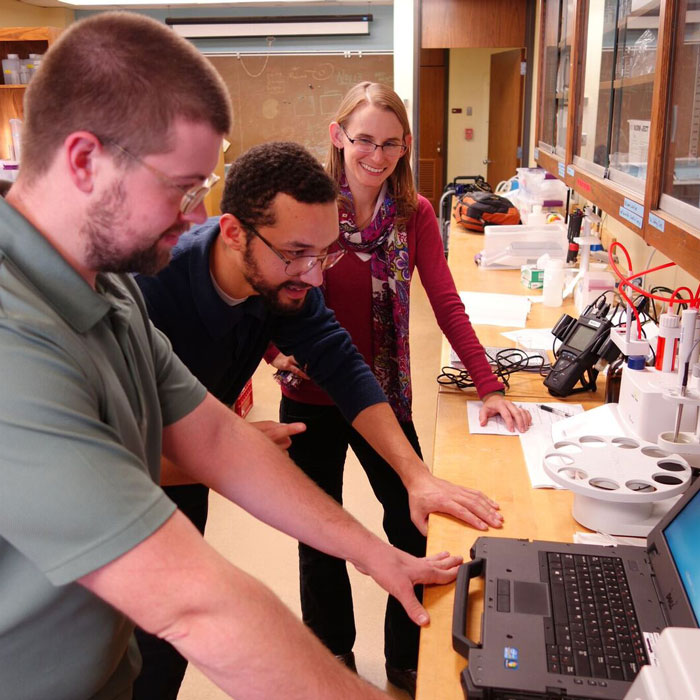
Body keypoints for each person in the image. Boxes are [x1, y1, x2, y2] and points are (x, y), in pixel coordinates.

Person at [0, 17, 463, 700]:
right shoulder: (19, 330)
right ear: (83, 161)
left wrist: (376, 553)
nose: (195, 217)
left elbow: (217, 437)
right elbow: (193, 601)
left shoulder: (110, 294)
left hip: (103, 668)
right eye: (182, 188)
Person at [133, 139, 507, 699]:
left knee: (164, 656)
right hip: (126, 494)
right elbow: (101, 464)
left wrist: (415, 476)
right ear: (233, 232)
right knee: (133, 662)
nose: (313, 277)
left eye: (323, 255)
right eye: (296, 254)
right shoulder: (147, 296)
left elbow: (339, 360)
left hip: (182, 478)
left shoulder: (280, 281)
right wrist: (222, 451)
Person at [276, 81, 533, 697]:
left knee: (414, 526)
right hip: (309, 402)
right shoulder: (308, 210)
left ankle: (404, 656)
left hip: (381, 402)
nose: (377, 154)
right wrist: (275, 350)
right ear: (339, 137)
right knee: (320, 535)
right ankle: (331, 656)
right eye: (364, 139)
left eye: (391, 143)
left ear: (405, 145)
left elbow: (445, 303)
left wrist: (489, 384)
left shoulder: (415, 214)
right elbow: (269, 290)